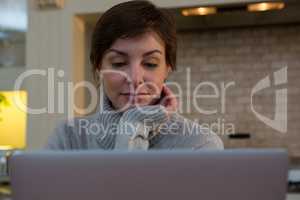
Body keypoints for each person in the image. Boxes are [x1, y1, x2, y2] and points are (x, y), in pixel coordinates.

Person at [46, 0, 223, 150]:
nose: (135, 78)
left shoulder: (200, 144)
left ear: (167, 68)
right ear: (99, 67)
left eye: (150, 64)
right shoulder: (68, 138)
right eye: (119, 63)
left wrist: (133, 126)